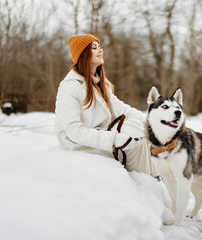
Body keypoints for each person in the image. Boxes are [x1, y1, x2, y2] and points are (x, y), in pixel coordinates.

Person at [54, 34, 156, 176]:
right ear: (83, 54)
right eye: (94, 48)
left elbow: (122, 109)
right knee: (133, 133)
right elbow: (73, 131)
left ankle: (154, 174)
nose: (100, 50)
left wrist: (152, 123)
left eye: (100, 47)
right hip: (79, 142)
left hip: (102, 131)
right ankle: (144, 177)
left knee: (140, 128)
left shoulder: (99, 84)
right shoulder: (69, 87)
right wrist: (113, 138)